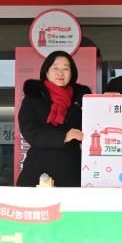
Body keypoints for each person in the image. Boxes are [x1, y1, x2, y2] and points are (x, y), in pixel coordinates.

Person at [17, 50, 90, 187]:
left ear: (72, 73)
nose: (60, 73)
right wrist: (64, 136)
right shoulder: (33, 97)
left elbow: (94, 125)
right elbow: (30, 132)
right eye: (55, 68)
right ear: (46, 72)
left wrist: (107, 100)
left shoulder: (82, 98)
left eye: (65, 69)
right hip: (39, 167)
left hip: (72, 168)